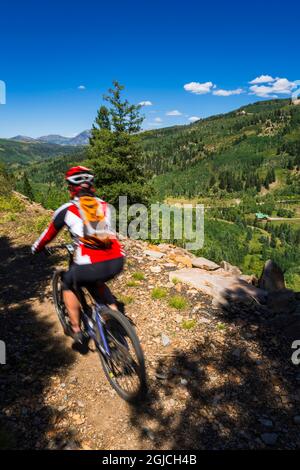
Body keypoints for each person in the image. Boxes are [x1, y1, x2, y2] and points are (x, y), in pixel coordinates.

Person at [32, 166, 125, 343]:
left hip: (90, 263)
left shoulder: (68, 209)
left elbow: (48, 235)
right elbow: (104, 232)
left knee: (68, 282)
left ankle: (75, 329)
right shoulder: (105, 205)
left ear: (71, 188)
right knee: (98, 281)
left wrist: (35, 248)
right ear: (91, 186)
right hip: (117, 259)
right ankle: (114, 321)